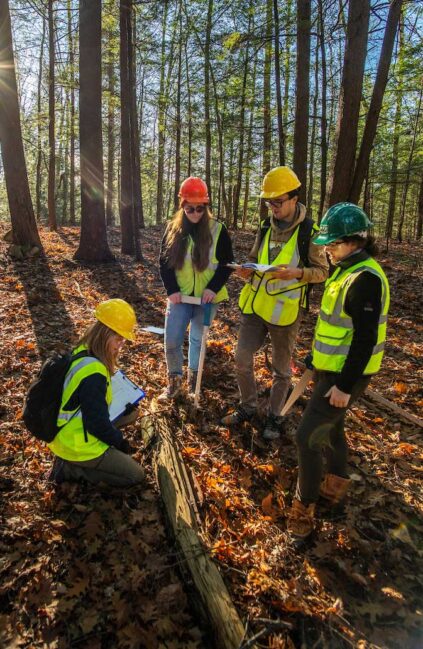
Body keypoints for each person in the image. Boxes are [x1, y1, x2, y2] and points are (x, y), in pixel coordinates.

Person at [286, 203, 390, 543]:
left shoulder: (364, 279)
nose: (327, 249)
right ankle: (335, 489)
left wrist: (344, 386)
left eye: (333, 243)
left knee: (306, 437)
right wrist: (313, 359)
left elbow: (364, 338)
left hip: (348, 375)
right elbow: (335, 328)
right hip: (331, 368)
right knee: (332, 430)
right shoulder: (345, 269)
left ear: (355, 240)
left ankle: (304, 510)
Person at [221, 166, 328, 440]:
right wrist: (247, 270)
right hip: (256, 307)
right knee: (242, 359)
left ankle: (275, 417)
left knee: (281, 371)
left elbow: (323, 272)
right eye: (269, 202)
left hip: (286, 312)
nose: (273, 207)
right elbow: (256, 257)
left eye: (278, 202)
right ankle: (248, 406)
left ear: (294, 198)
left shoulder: (310, 231)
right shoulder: (266, 225)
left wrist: (297, 273)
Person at [48, 299, 145, 487]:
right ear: (105, 335)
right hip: (76, 443)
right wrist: (120, 443)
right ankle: (71, 469)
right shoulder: (94, 374)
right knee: (136, 475)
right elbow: (96, 425)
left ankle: (76, 461)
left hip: (66, 430)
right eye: (118, 339)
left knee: (132, 413)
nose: (120, 346)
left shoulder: (83, 350)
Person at [158, 177, 233, 400]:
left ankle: (193, 383)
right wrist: (171, 290)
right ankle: (174, 382)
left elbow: (227, 263)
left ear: (206, 207)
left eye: (200, 208)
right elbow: (164, 263)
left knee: (197, 340)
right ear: (182, 206)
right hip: (179, 296)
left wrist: (212, 288)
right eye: (190, 208)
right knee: (172, 340)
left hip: (206, 299)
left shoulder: (217, 229)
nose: (195, 213)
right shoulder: (173, 229)